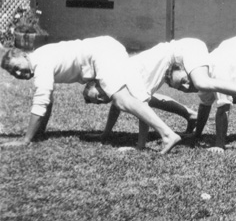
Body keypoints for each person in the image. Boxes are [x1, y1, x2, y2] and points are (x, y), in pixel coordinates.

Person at [0, 36, 181, 154]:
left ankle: (167, 134)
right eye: (13, 73)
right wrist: (39, 133)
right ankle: (138, 137)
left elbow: (42, 101)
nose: (18, 73)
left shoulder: (40, 63)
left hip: (102, 53)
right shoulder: (41, 56)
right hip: (108, 46)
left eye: (17, 67)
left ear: (24, 56)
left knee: (121, 99)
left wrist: (26, 140)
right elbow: (47, 102)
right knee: (129, 97)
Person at [81, 42, 199, 149]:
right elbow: (116, 107)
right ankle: (191, 116)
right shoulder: (117, 84)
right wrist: (105, 134)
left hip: (180, 53)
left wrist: (140, 146)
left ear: (99, 83)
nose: (102, 99)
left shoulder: (120, 76)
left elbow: (142, 107)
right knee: (146, 99)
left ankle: (171, 134)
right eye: (99, 102)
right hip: (170, 54)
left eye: (98, 95)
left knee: (202, 86)